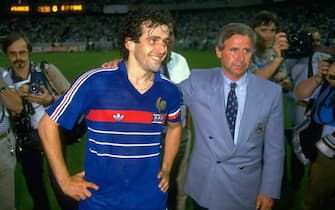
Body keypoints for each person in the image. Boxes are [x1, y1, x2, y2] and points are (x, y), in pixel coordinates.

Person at [38, 7, 182, 210]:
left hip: (151, 201)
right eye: (153, 40)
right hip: (100, 202)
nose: (162, 49)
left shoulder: (169, 91)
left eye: (165, 41)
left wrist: (166, 168)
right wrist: (64, 181)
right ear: (130, 43)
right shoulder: (95, 82)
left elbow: (175, 128)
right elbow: (47, 125)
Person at [179, 23, 285, 210]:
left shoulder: (270, 92)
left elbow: (275, 149)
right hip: (206, 187)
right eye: (234, 50)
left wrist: (269, 190)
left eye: (246, 51)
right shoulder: (198, 81)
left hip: (246, 190)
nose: (240, 58)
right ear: (219, 52)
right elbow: (161, 93)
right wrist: (124, 67)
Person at [2, 32, 76, 210]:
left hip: (53, 136)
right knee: (34, 186)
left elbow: (72, 97)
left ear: (29, 52)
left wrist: (49, 99)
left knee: (60, 186)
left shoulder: (46, 70)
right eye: (13, 54)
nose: (19, 58)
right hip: (26, 139)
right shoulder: (6, 79)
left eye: (22, 52)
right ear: (6, 54)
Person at [285, 26, 330, 190]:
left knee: (316, 145)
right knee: (297, 145)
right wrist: (298, 98)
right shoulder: (290, 60)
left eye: (318, 40)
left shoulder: (324, 58)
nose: (315, 44)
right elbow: (284, 87)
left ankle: (314, 177)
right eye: (312, 40)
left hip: (317, 111)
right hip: (298, 109)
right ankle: (296, 179)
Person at [294, 55, 335, 210]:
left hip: (330, 152)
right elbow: (299, 94)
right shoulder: (327, 83)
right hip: (319, 146)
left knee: (313, 203)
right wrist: (319, 77)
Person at [249, 10, 291, 91]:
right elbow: (255, 80)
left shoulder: (276, 52)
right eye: (263, 30)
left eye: (272, 30)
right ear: (253, 31)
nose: (269, 35)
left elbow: (287, 88)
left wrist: (284, 82)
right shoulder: (245, 53)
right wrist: (277, 60)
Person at [0, 66, 23, 210]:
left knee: (6, 204)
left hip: (2, 145)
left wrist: (1, 84)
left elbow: (17, 107)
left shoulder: (2, 73)